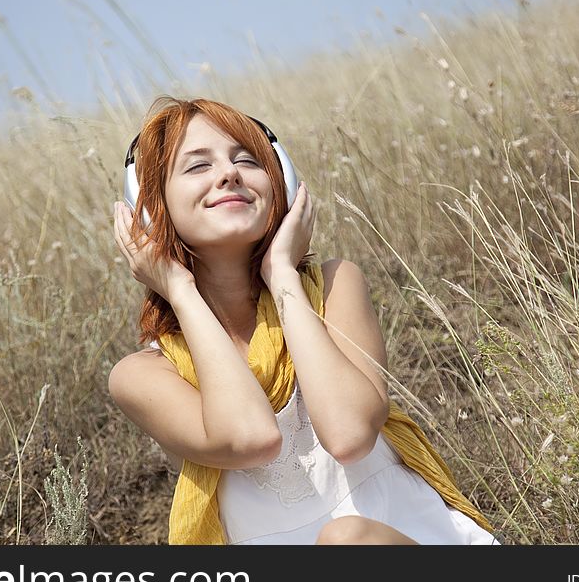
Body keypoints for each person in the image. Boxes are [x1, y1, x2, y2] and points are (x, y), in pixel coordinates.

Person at [109, 96, 499, 545]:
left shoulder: (334, 286)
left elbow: (350, 435)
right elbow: (251, 438)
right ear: (148, 208)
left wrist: (282, 277)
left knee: (346, 541)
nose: (229, 173)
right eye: (197, 167)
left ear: (283, 182)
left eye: (247, 159)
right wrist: (180, 291)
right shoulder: (141, 375)